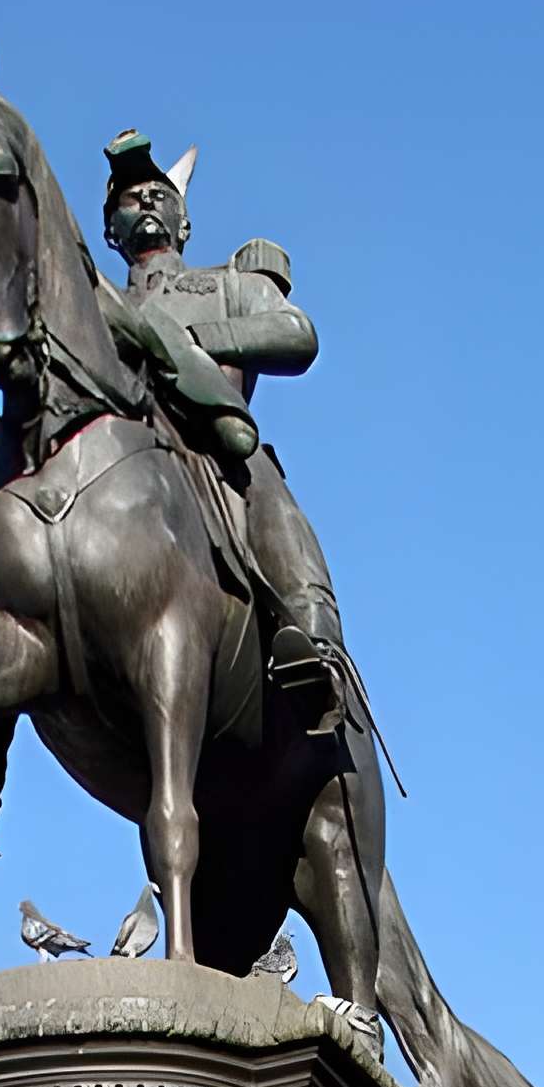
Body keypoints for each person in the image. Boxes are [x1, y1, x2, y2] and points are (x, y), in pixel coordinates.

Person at [99, 129, 361, 726]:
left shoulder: (228, 285)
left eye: (157, 193)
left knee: (264, 488)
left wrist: (191, 341)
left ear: (183, 222)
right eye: (127, 197)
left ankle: (314, 640)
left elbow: (297, 335)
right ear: (109, 230)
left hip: (212, 448)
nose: (142, 202)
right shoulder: (95, 306)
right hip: (114, 454)